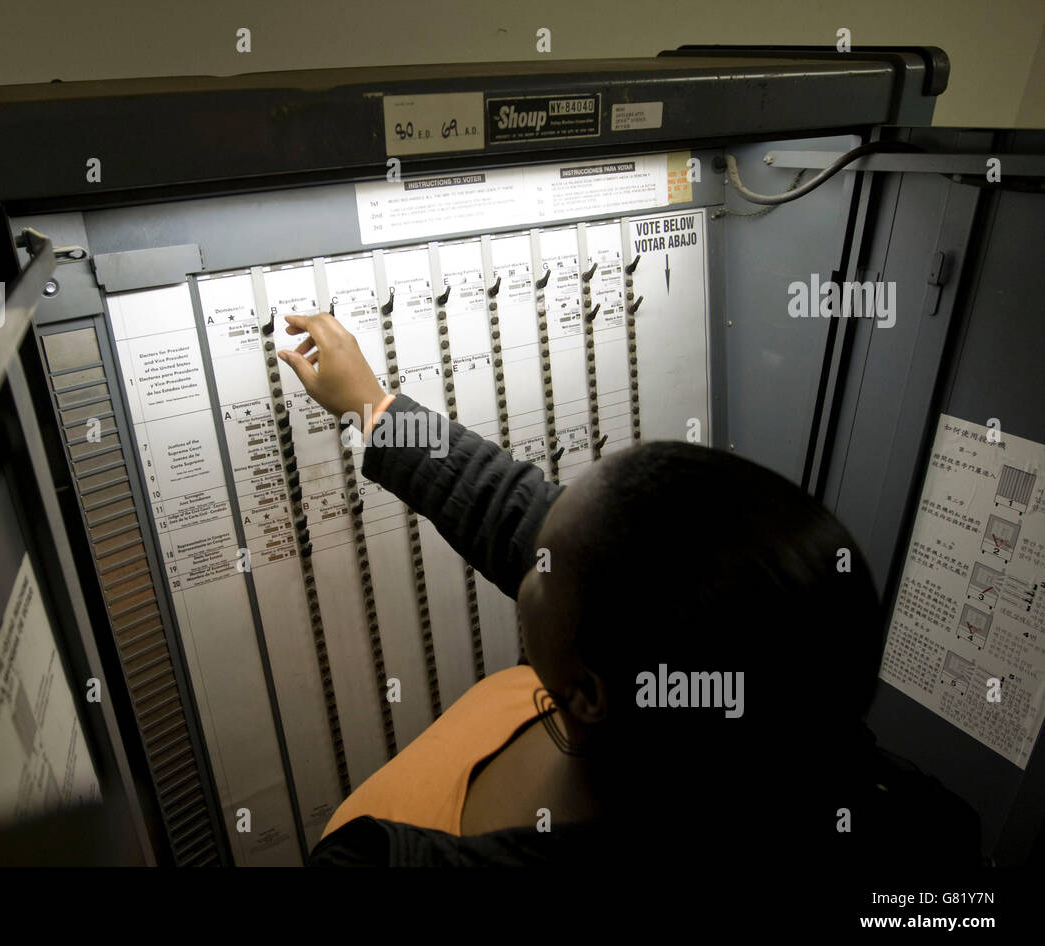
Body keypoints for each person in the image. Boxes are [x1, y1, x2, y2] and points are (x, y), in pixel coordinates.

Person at [274, 311, 981, 868]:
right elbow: (523, 516)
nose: (528, 553)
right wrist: (375, 405)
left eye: (541, 567)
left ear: (586, 692)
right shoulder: (815, 746)